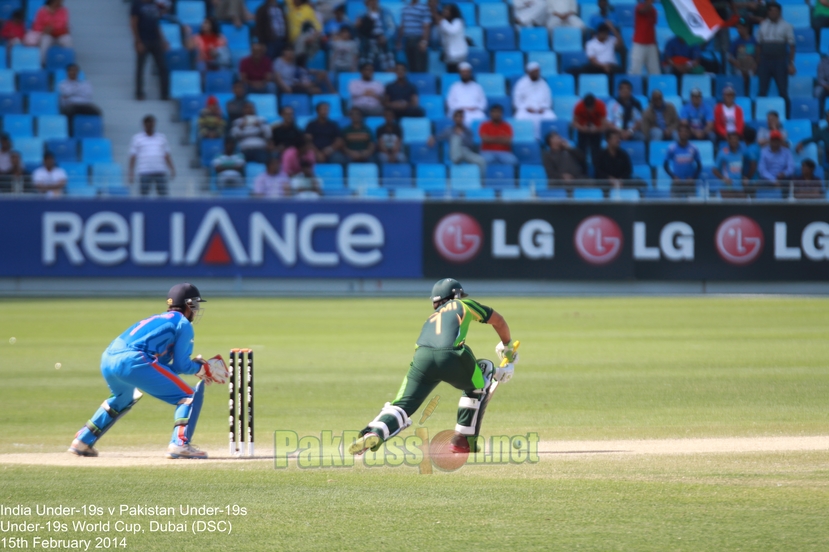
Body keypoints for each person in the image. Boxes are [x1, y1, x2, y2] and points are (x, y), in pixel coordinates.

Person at [348, 278, 518, 456]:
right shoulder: (464, 304)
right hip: (451, 355)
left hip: (422, 357)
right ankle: (463, 441)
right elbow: (498, 321)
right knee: (484, 370)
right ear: (456, 295)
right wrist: (507, 351)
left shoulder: (431, 318)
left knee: (401, 406)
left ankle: (375, 432)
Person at [67, 284, 225, 460]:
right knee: (189, 396)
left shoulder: (159, 319)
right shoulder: (183, 324)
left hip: (108, 358)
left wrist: (194, 366)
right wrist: (202, 368)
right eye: (195, 304)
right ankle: (180, 445)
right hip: (134, 360)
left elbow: (162, 369)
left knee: (122, 399)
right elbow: (181, 366)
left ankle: (82, 440)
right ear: (188, 305)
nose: (196, 310)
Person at [757, 2, 795, 102]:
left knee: (783, 91)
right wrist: (757, 62)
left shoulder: (787, 26)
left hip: (780, 61)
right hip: (765, 61)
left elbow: (792, 46)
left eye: (775, 11)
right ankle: (761, 114)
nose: (773, 13)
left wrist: (791, 64)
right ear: (768, 12)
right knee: (762, 91)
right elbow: (759, 45)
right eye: (770, 10)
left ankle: (786, 115)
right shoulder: (763, 25)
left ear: (779, 12)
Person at [428, 109, 486, 174]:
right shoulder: (449, 130)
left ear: (463, 118)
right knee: (455, 138)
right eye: (457, 117)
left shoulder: (468, 131)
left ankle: (481, 182)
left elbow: (470, 144)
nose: (458, 118)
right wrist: (433, 138)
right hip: (454, 154)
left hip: (466, 153)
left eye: (460, 117)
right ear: (454, 118)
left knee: (481, 161)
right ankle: (456, 159)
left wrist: (461, 135)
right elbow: (439, 137)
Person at [129, 115, 175, 196]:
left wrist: (172, 168)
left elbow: (166, 155)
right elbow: (133, 156)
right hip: (144, 171)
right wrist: (131, 172)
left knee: (163, 195)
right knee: (144, 196)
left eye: (151, 123)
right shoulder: (137, 138)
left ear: (154, 124)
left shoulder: (161, 137)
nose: (150, 125)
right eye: (148, 123)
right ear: (144, 124)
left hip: (160, 170)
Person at [131, 0, 168, 100]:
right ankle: (139, 93)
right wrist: (138, 41)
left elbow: (156, 24)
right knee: (141, 68)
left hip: (155, 40)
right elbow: (134, 23)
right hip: (143, 40)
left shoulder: (154, 5)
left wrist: (163, 40)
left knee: (162, 68)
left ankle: (164, 94)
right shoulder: (137, 5)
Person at [512, 62, 556, 140]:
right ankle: (526, 138)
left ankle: (547, 140)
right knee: (519, 118)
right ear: (529, 72)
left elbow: (548, 100)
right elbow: (517, 101)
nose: (537, 73)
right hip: (526, 110)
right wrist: (526, 108)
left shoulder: (543, 84)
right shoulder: (521, 83)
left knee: (552, 117)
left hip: (541, 110)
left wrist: (543, 107)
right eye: (535, 71)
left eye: (538, 71)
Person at [663, 123, 702, 197]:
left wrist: (693, 178)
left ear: (688, 133)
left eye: (685, 131)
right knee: (675, 207)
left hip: (689, 183)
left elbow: (699, 166)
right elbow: (665, 165)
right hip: (677, 182)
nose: (683, 133)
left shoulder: (694, 148)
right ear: (678, 133)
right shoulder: (672, 148)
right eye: (681, 131)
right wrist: (673, 176)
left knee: (692, 207)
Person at [356, 0, 396, 71]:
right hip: (368, 43)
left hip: (383, 43)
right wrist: (357, 26)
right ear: (367, 3)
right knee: (366, 66)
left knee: (389, 66)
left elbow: (392, 27)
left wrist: (385, 37)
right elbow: (359, 31)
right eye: (370, 1)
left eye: (374, 1)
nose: (373, 2)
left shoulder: (385, 12)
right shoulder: (362, 15)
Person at [572, 93, 609, 167]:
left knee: (596, 153)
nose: (589, 110)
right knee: (581, 152)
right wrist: (582, 128)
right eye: (587, 108)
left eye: (591, 108)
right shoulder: (579, 106)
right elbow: (574, 123)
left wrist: (597, 129)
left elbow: (605, 126)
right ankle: (582, 172)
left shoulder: (600, 106)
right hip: (582, 130)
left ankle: (597, 172)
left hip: (597, 130)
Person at [446, 62, 487, 126]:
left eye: (467, 72)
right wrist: (461, 108)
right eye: (463, 72)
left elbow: (483, 102)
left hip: (474, 112)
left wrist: (474, 108)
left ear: (470, 73)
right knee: (458, 117)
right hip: (459, 112)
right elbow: (450, 102)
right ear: (460, 73)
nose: (465, 74)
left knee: (481, 117)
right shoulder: (454, 86)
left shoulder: (477, 87)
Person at [712, 131, 748, 197]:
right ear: (728, 140)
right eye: (732, 139)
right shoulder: (723, 153)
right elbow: (714, 170)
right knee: (728, 206)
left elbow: (741, 168)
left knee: (742, 205)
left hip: (739, 186)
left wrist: (744, 177)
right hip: (727, 187)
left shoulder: (742, 152)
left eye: (736, 139)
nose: (734, 141)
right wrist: (723, 178)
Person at [399, 0, 431, 73]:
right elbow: (402, 25)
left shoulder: (424, 8)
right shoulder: (405, 7)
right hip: (407, 40)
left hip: (418, 40)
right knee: (410, 65)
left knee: (419, 66)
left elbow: (426, 26)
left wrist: (424, 41)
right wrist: (399, 41)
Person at [728, 18, 758, 95]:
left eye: (741, 28)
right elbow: (729, 57)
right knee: (739, 77)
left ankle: (750, 95)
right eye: (738, 28)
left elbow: (758, 55)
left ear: (746, 29)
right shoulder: (736, 42)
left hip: (751, 68)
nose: (738, 30)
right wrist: (734, 62)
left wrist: (755, 64)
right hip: (740, 67)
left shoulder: (754, 41)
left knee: (751, 77)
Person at [629, 0, 660, 75]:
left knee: (654, 70)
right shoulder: (639, 6)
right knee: (635, 69)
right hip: (639, 43)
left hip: (651, 44)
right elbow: (642, 11)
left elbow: (652, 27)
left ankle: (655, 86)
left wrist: (656, 44)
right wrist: (649, 3)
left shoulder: (654, 11)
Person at [435, 4, 467, 73]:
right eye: (444, 10)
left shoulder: (458, 21)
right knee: (451, 73)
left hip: (458, 53)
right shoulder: (444, 22)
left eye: (447, 10)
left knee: (458, 72)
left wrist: (442, 21)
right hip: (448, 53)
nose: (445, 12)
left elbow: (452, 31)